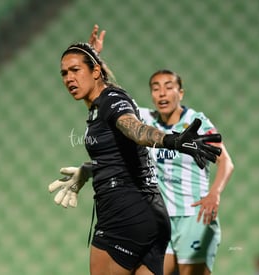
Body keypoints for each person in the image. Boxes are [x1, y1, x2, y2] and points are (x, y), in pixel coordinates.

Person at [48, 41, 222, 275]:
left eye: (75, 70)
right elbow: (120, 152)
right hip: (152, 215)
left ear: (96, 71)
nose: (68, 78)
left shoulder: (111, 100)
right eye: (64, 73)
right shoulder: (100, 105)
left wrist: (172, 140)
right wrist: (89, 169)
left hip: (123, 212)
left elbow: (135, 129)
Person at [88, 25, 234, 275]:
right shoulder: (144, 118)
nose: (162, 93)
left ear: (180, 92)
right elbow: (109, 99)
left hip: (193, 216)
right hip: (162, 218)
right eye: (155, 88)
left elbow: (226, 161)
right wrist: (94, 57)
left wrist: (215, 194)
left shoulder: (196, 122)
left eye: (168, 86)